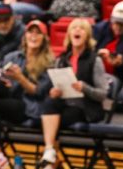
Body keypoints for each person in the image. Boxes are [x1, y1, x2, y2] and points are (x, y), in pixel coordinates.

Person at [38, 18, 108, 169]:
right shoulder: (61, 59)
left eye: (81, 29)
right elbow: (52, 88)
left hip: (86, 108)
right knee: (48, 103)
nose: (77, 30)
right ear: (68, 35)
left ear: (87, 36)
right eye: (74, 28)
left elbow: (103, 94)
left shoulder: (95, 60)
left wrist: (84, 88)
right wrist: (53, 92)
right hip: (64, 103)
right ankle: (50, 151)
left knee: (54, 120)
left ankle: (52, 161)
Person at [0, 20, 53, 169]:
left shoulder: (49, 62)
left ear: (44, 38)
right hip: (8, 95)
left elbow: (39, 92)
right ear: (25, 36)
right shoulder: (12, 56)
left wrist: (20, 78)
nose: (33, 36)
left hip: (27, 106)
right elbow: (0, 78)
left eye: (38, 33)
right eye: (30, 32)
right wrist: (6, 81)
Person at [93, 1, 123, 83]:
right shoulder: (99, 29)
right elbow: (87, 52)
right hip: (97, 73)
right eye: (116, 24)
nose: (118, 27)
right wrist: (98, 54)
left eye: (122, 24)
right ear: (111, 20)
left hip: (122, 76)